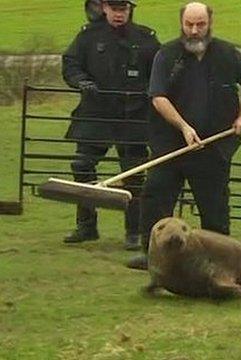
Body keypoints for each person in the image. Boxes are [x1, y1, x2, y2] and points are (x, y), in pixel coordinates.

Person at [126, 2, 241, 270]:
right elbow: (158, 97)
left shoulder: (227, 53)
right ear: (181, 24)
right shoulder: (167, 55)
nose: (194, 31)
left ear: (210, 22)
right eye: (189, 25)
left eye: (200, 24)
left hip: (214, 146)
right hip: (171, 144)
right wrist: (184, 127)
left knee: (215, 206)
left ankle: (220, 259)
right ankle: (152, 255)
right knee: (156, 196)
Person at [62, 0, 160, 250]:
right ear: (104, 8)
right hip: (96, 113)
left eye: (123, 9)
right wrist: (81, 81)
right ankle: (86, 225)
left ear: (130, 9)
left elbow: (161, 70)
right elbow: (71, 63)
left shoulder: (146, 38)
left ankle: (134, 231)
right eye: (114, 9)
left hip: (133, 115)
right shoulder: (88, 36)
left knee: (134, 173)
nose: (118, 14)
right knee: (82, 165)